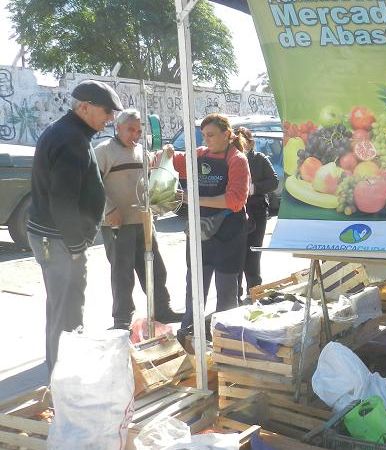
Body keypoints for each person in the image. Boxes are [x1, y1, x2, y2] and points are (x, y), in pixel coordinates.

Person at [27, 80, 123, 374]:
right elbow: (63, 200)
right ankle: (62, 377)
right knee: (66, 311)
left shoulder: (70, 133)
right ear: (84, 107)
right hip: (58, 241)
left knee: (63, 307)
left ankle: (61, 372)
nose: (110, 119)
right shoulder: (70, 139)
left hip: (56, 238)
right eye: (107, 111)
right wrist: (75, 246)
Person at [94, 109, 183, 329]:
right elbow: (92, 184)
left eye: (138, 130)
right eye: (130, 129)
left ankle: (162, 310)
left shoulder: (140, 151)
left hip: (143, 220)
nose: (134, 134)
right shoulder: (103, 151)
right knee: (122, 273)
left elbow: (153, 172)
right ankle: (122, 320)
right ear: (118, 127)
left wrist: (165, 155)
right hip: (117, 223)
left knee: (155, 269)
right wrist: (109, 209)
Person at [166, 113, 251, 332]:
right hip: (200, 234)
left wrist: (192, 198)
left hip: (229, 236)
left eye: (211, 135)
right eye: (203, 136)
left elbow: (234, 201)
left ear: (227, 135)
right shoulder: (199, 155)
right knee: (195, 289)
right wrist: (163, 154)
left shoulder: (237, 160)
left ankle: (226, 338)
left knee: (226, 294)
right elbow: (172, 159)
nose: (206, 140)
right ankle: (189, 333)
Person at [236, 127, 279, 300]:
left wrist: (253, 188)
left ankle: (255, 291)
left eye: (243, 142)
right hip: (236, 211)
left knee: (253, 253)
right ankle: (235, 294)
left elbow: (274, 181)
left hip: (257, 210)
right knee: (237, 253)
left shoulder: (259, 159)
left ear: (251, 143)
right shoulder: (231, 159)